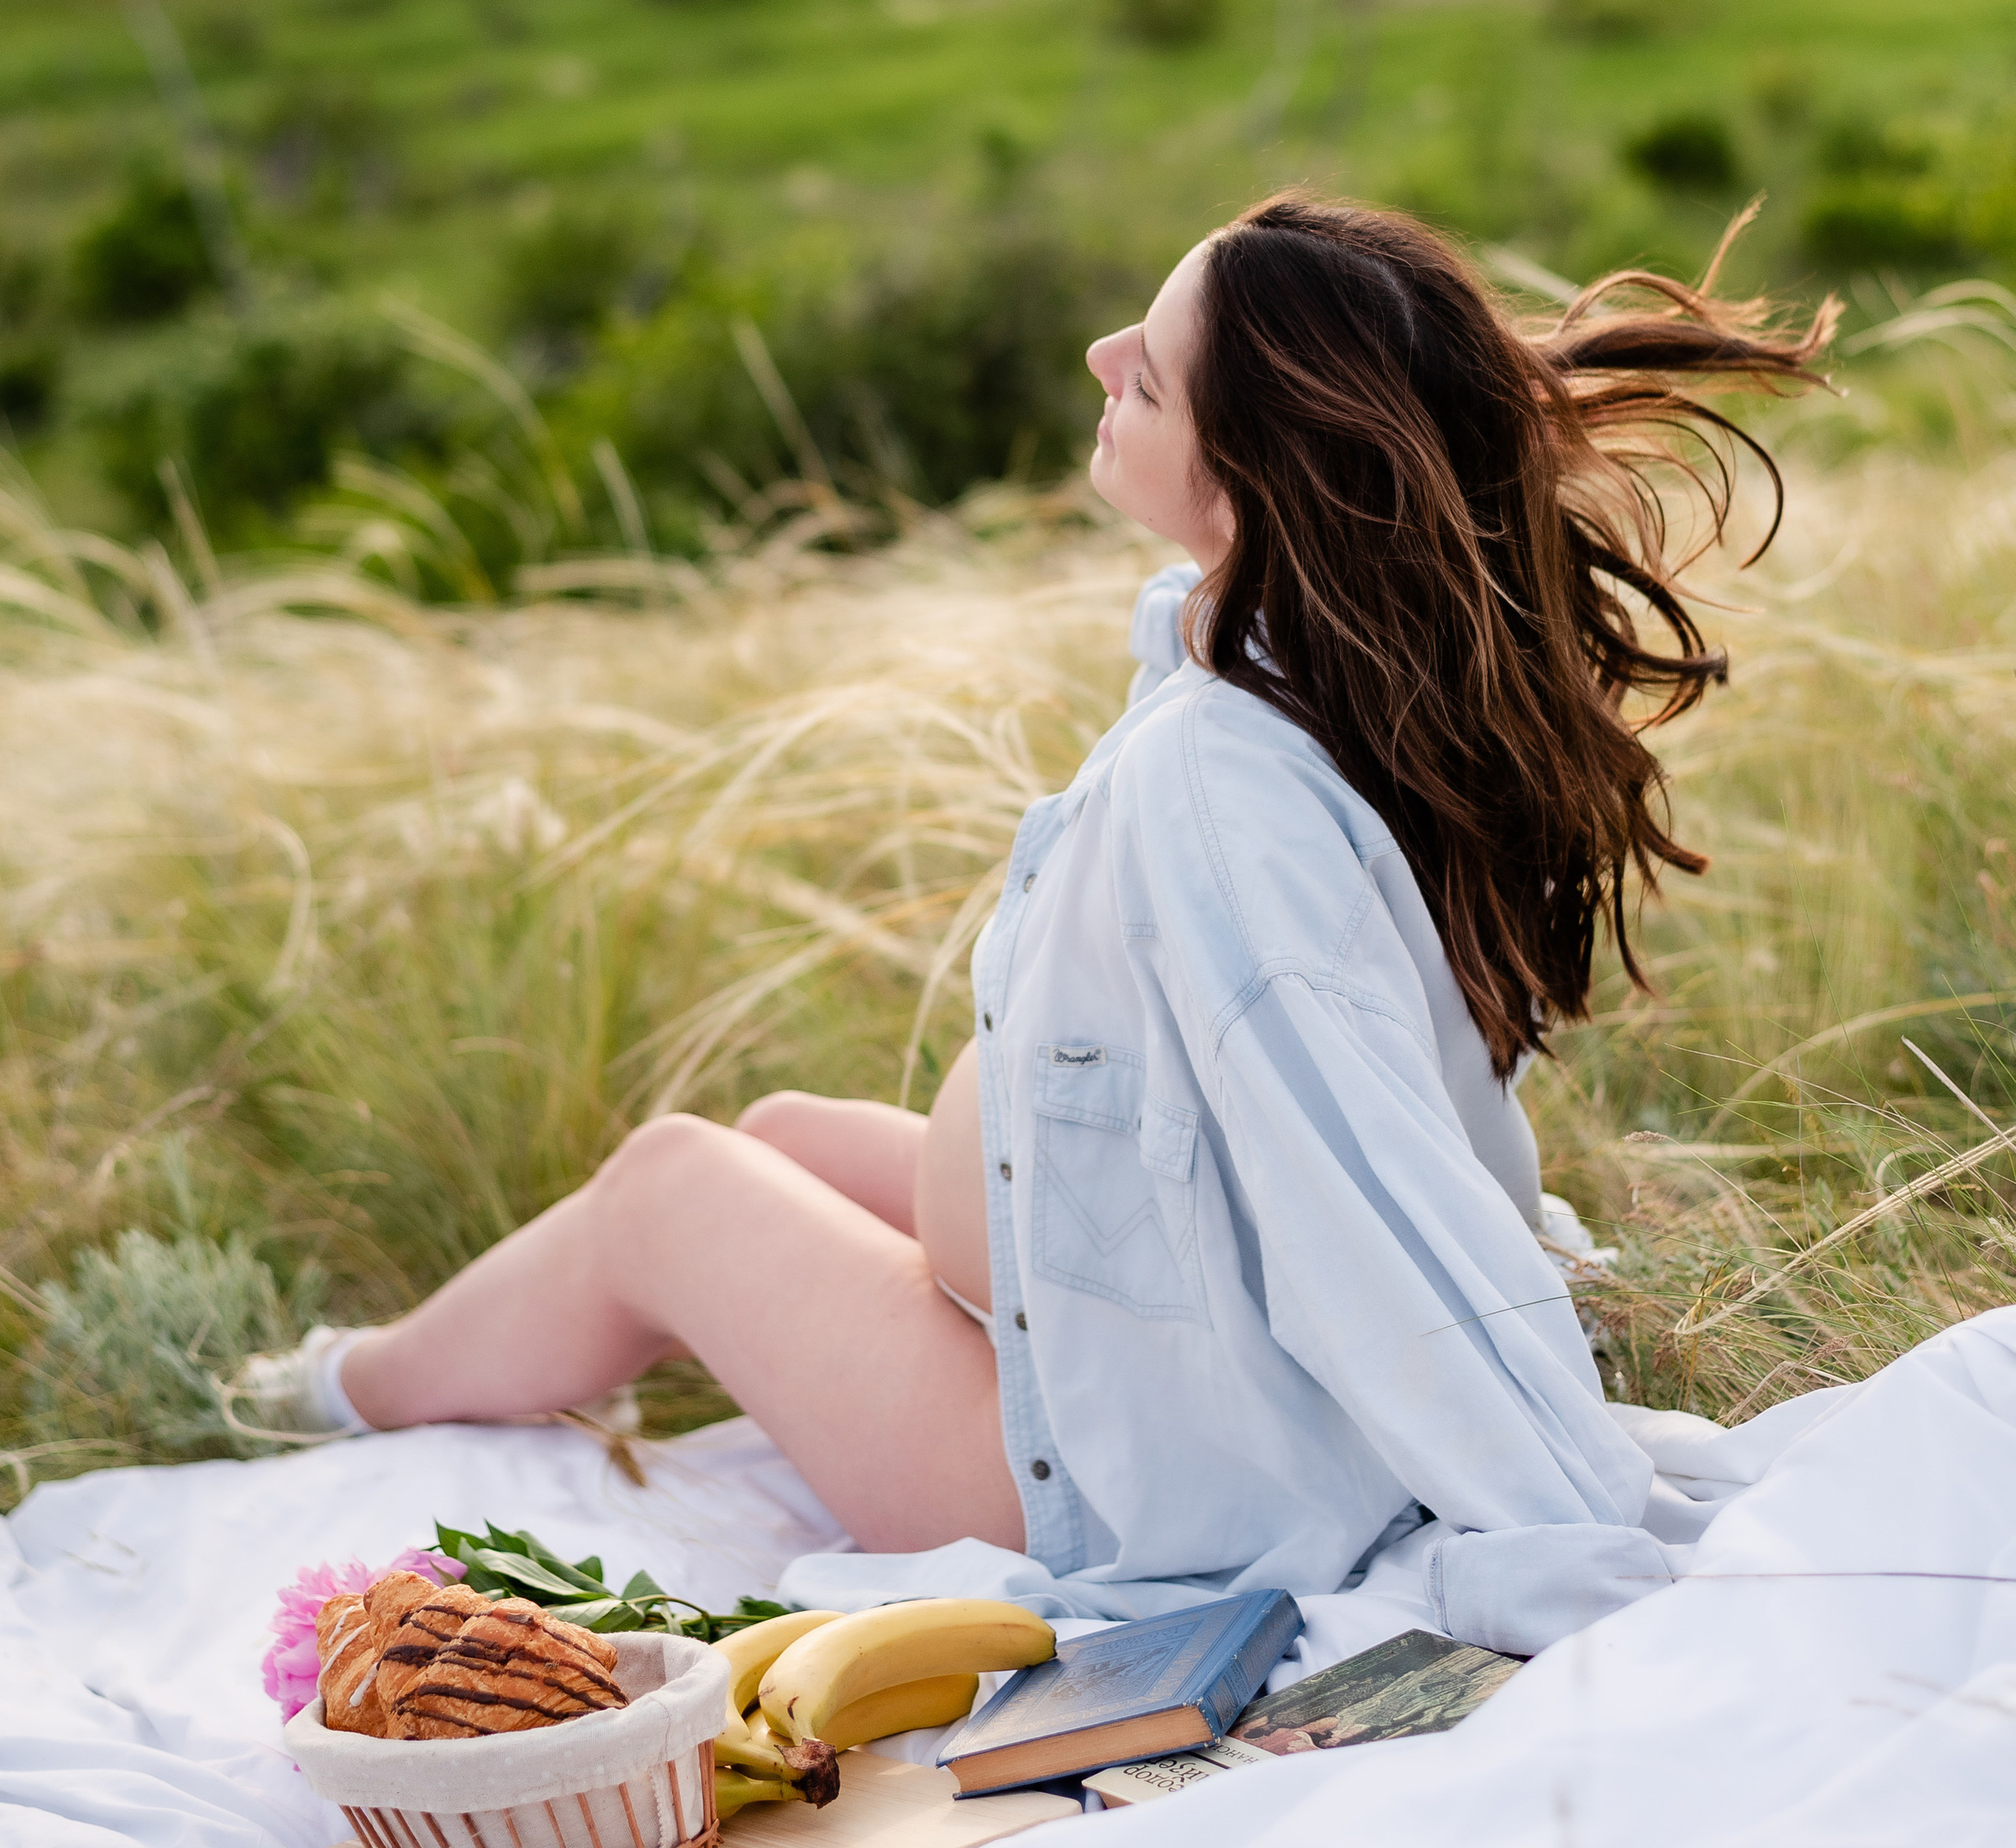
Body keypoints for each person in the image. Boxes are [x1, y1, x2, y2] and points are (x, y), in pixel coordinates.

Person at [239, 196, 1833, 1635]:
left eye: (1146, 375)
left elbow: (1351, 1173)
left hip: (1127, 1473)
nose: (1098, 354)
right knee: (783, 1127)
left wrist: (1543, 1523)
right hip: (1112, 1290)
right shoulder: (1304, 668)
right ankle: (407, 1368)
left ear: (1251, 478)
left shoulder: (1223, 782)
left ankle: (326, 1393)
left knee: (671, 1186)